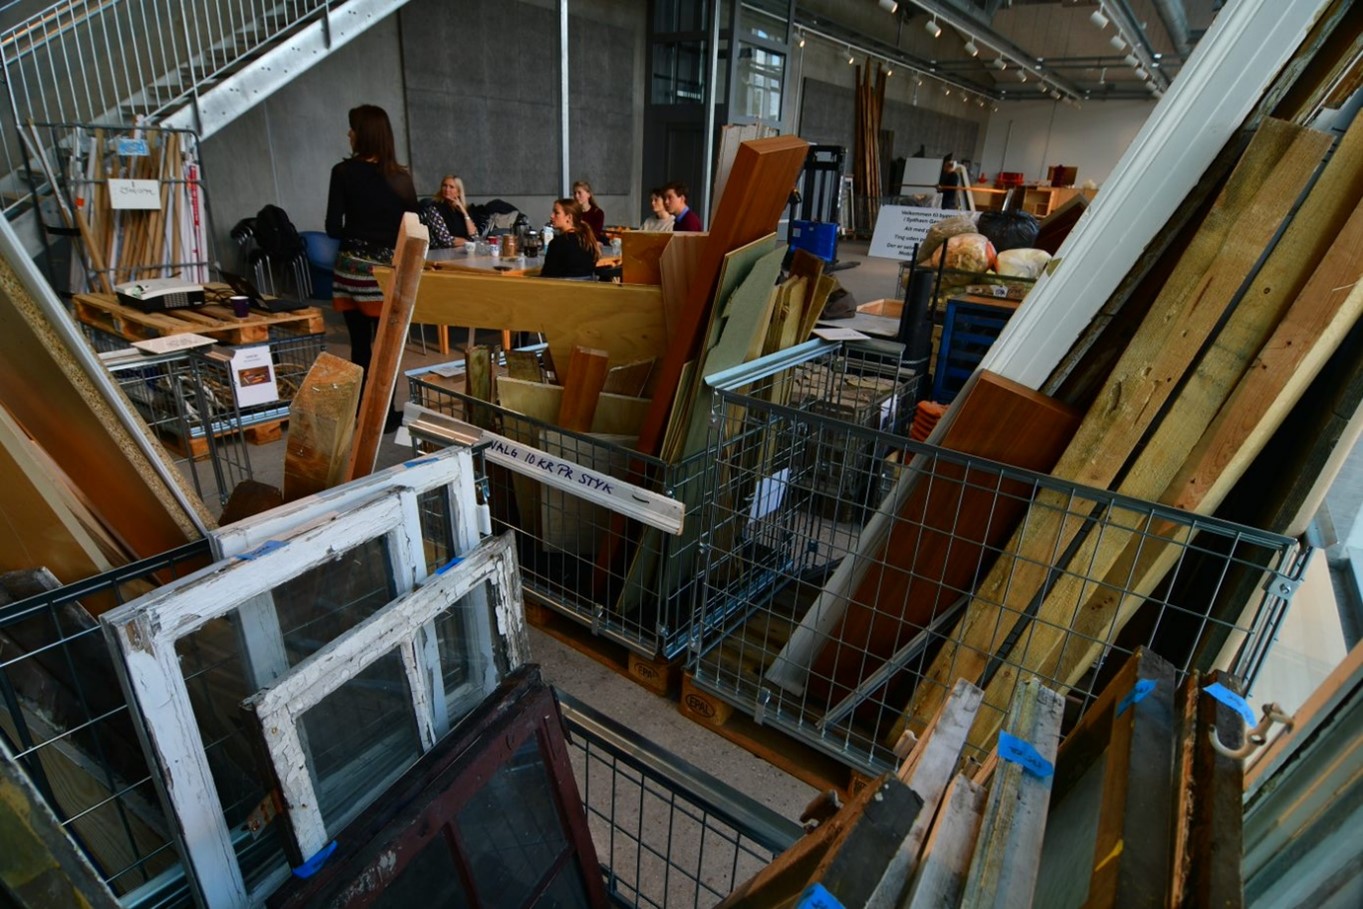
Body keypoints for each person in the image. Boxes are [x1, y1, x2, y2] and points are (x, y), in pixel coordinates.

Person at [325, 104, 417, 427]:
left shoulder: (343, 173)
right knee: (386, 348)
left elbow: (333, 227)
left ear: (363, 134)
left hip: (350, 270)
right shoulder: (400, 178)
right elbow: (414, 228)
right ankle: (385, 414)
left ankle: (360, 413)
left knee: (360, 346)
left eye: (352, 128)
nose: (348, 134)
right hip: (385, 273)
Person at [540, 198, 600, 279]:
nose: (551, 215)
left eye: (556, 213)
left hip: (562, 289)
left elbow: (547, 275)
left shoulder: (558, 243)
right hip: (587, 288)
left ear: (569, 217)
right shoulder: (587, 240)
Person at [420, 174, 478, 248]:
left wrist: (464, 212)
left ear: (458, 192)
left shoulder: (464, 209)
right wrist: (469, 242)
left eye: (451, 187)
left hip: (463, 251)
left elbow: (475, 236)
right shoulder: (435, 208)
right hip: (442, 253)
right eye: (444, 186)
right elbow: (446, 240)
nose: (447, 189)